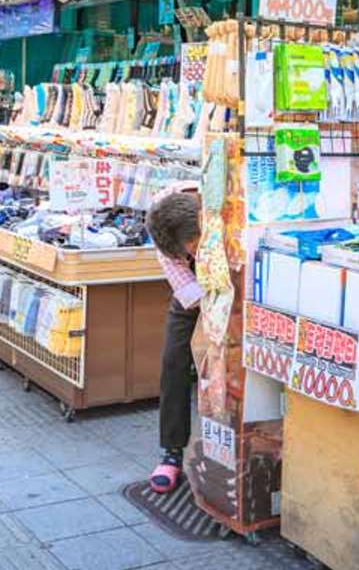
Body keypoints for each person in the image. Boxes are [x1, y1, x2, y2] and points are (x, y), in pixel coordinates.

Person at [145, 187, 202, 493]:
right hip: (196, 289)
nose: (191, 252)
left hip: (238, 273)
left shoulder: (213, 198)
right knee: (174, 360)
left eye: (193, 245)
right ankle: (171, 451)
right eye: (187, 251)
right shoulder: (162, 227)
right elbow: (189, 293)